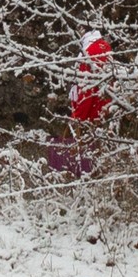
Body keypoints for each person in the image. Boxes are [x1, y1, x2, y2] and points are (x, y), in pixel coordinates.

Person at [48, 29, 112, 176]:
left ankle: (76, 174)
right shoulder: (105, 47)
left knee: (84, 154)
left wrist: (78, 117)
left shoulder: (88, 52)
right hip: (104, 111)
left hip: (90, 115)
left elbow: (87, 92)